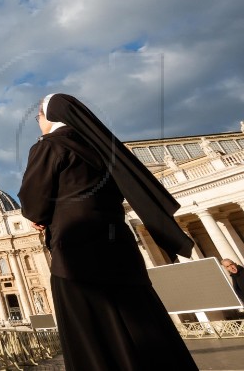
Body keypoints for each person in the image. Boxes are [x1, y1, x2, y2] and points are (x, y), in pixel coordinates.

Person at [18, 93, 197, 370]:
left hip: (77, 251)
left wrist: (38, 216)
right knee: (141, 320)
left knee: (94, 329)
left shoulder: (50, 146)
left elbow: (33, 204)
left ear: (50, 116)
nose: (37, 121)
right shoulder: (102, 147)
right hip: (119, 245)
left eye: (38, 115)